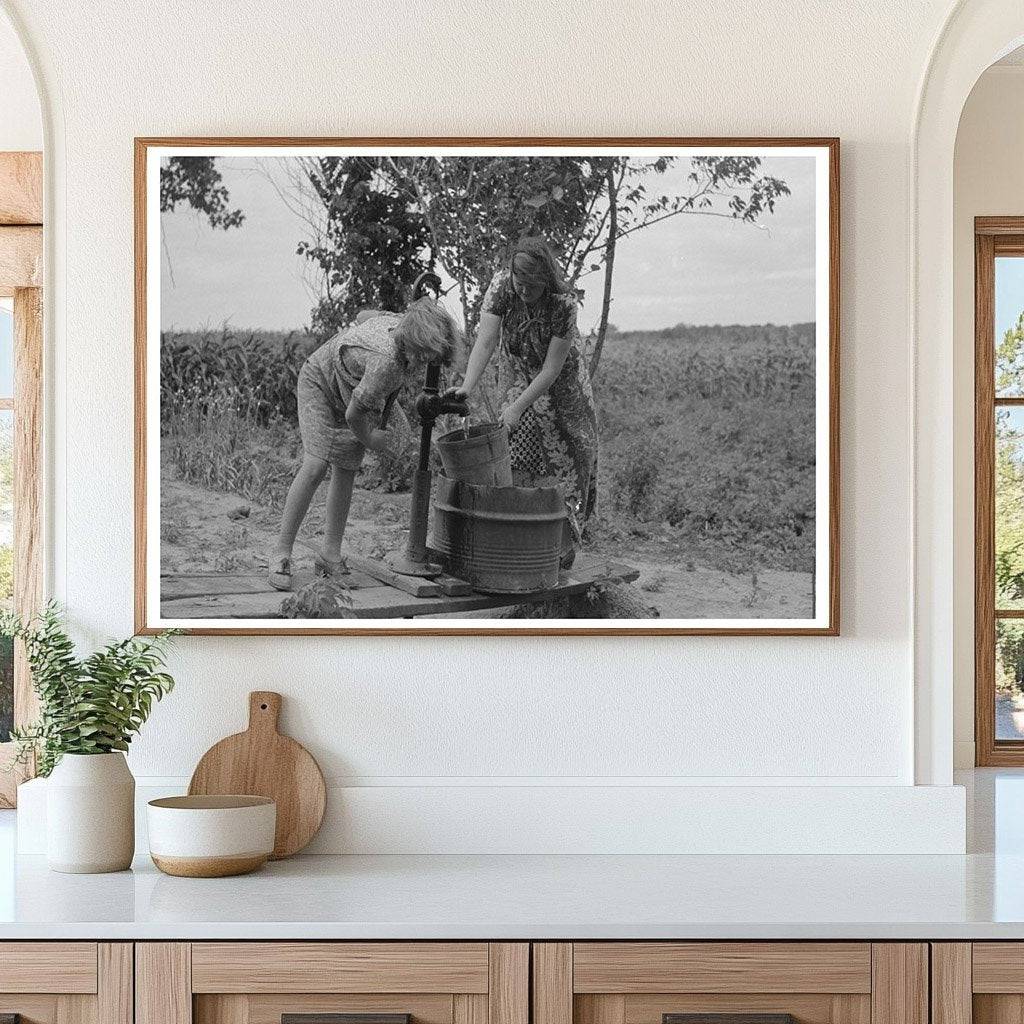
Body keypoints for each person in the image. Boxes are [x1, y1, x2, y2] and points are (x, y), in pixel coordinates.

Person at [269, 299, 461, 591]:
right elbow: (353, 416)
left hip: (351, 388)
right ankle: (281, 553)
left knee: (346, 467)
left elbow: (362, 315)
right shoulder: (386, 365)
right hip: (319, 383)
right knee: (316, 465)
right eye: (422, 356)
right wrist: (371, 439)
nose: (423, 363)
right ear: (413, 339)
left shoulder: (398, 320)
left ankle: (329, 555)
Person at [450, 236, 598, 557]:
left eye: (532, 285)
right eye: (520, 283)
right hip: (517, 371)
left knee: (567, 455)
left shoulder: (563, 304)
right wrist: (467, 386)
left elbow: (551, 369)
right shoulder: (502, 286)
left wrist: (520, 406)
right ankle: (519, 536)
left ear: (546, 279)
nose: (524, 292)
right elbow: (486, 341)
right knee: (514, 445)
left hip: (561, 385)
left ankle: (561, 545)